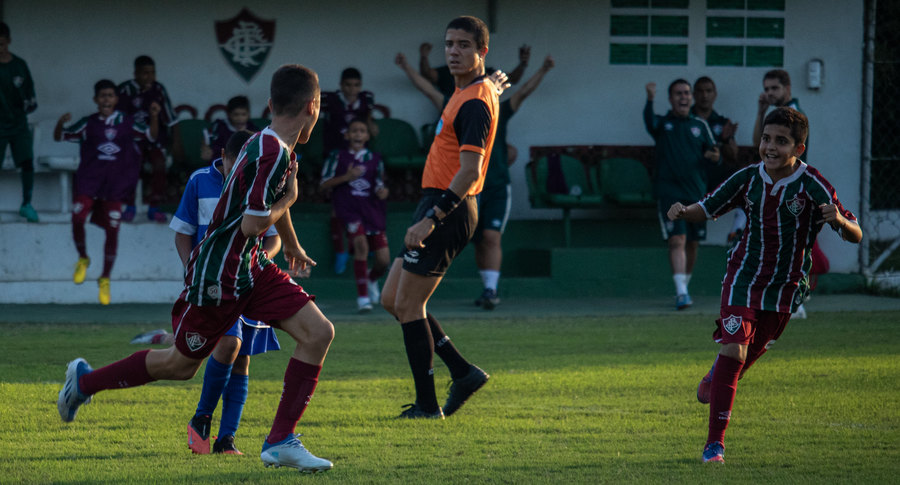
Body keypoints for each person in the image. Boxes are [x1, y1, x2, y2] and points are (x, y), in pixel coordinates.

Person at [57, 64, 336, 473]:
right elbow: (254, 223)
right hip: (217, 276)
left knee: (319, 332)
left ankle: (280, 441)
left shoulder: (274, 147)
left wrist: (291, 244)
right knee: (180, 365)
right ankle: (84, 382)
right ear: (313, 106)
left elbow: (265, 203)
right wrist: (290, 199)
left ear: (270, 104)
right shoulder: (272, 151)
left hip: (251, 266)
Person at [667, 107, 861, 463]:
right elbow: (709, 207)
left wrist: (840, 220)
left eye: (781, 141)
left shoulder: (813, 184)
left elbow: (856, 234)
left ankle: (717, 373)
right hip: (742, 277)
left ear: (798, 149)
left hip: (785, 288)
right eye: (766, 139)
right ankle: (714, 446)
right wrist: (682, 210)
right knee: (735, 352)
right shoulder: (747, 178)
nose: (770, 147)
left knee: (741, 361)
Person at [380, 16, 504, 419]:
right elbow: (485, 90)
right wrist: (493, 83)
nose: (453, 51)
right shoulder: (470, 90)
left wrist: (431, 218)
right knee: (393, 300)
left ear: (482, 52)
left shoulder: (474, 101)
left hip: (448, 208)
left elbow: (469, 171)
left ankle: (427, 406)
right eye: (449, 44)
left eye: (464, 45)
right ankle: (463, 372)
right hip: (435, 201)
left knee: (409, 305)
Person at [170, 130, 282, 455]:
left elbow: (273, 237)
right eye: (236, 162)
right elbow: (183, 232)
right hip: (213, 282)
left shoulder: (260, 183)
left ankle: (226, 439)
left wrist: (258, 260)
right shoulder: (200, 181)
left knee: (242, 359)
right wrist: (190, 268)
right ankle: (202, 417)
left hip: (249, 281)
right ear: (223, 156)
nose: (240, 170)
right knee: (229, 343)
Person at [53, 79, 159, 305]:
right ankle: (83, 258)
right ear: (95, 99)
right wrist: (60, 124)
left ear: (116, 99)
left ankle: (105, 278)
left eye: (110, 96)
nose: (106, 99)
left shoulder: (127, 122)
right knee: (77, 217)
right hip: (89, 182)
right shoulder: (88, 123)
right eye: (102, 96)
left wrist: (154, 117)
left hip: (115, 185)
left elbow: (151, 136)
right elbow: (60, 137)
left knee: (113, 229)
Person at [472, 54, 555, 310]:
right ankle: (486, 286)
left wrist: (543, 69)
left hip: (497, 186)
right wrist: (408, 66)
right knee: (478, 240)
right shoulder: (467, 111)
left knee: (491, 236)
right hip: (471, 187)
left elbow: (524, 91)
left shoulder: (501, 111)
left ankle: (491, 290)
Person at [644, 79, 720, 310]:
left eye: (686, 93)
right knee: (677, 240)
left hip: (696, 193)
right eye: (678, 93)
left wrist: (714, 157)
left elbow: (714, 153)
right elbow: (649, 122)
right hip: (670, 193)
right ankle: (681, 292)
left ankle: (684, 288)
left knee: (693, 243)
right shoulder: (663, 123)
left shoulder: (700, 125)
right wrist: (650, 99)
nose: (683, 97)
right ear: (670, 98)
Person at [320, 118, 390, 313]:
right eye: (354, 131)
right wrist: (347, 177)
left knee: (383, 260)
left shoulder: (375, 158)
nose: (358, 134)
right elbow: (323, 184)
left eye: (362, 131)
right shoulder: (338, 156)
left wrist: (383, 192)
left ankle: (371, 278)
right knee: (361, 246)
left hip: (372, 211)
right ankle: (363, 299)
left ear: (367, 136)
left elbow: (380, 184)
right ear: (347, 135)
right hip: (349, 209)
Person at [321, 67, 378, 275]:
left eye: (356, 85)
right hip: (337, 158)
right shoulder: (330, 101)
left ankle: (370, 245)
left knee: (366, 202)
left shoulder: (365, 102)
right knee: (338, 206)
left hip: (360, 160)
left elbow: (373, 129)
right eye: (348, 85)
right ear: (341, 85)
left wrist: (368, 121)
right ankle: (341, 251)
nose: (352, 89)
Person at [117, 55, 176, 223]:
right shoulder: (125, 90)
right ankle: (130, 207)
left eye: (152, 73)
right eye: (145, 73)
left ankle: (154, 207)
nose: (149, 77)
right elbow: (118, 120)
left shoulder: (158, 89)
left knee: (159, 163)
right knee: (131, 165)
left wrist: (175, 144)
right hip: (131, 140)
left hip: (155, 140)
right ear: (135, 73)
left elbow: (172, 119)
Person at [691, 76, 747, 247]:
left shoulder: (722, 122)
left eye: (708, 91)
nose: (704, 95)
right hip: (692, 176)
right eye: (700, 91)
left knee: (747, 182)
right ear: (694, 94)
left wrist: (726, 139)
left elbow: (733, 155)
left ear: (714, 94)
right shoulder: (686, 119)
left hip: (715, 176)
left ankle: (736, 231)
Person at [0, 22, 39, 222]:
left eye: (1, 44)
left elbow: (31, 94)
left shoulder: (20, 65)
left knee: (27, 162)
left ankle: (26, 204)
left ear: (9, 41)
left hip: (18, 124)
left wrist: (29, 103)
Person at [419, 41, 529, 99]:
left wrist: (522, 64)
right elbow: (427, 74)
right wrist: (424, 57)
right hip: (451, 122)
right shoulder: (448, 72)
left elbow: (511, 79)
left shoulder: (486, 73)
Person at [752, 69, 807, 162]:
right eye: (766, 89)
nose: (769, 93)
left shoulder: (792, 114)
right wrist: (761, 113)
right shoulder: (779, 113)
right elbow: (757, 143)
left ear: (787, 89)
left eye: (774, 88)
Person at [200, 95, 260, 162]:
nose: (240, 118)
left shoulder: (253, 128)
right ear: (228, 114)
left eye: (243, 114)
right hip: (221, 162)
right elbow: (207, 138)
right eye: (236, 115)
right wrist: (205, 147)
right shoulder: (220, 127)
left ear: (248, 114)